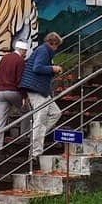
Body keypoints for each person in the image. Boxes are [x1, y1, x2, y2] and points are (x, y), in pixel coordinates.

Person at [19, 32, 64, 167]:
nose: (57, 49)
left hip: (41, 90)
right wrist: (53, 68)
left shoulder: (43, 50)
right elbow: (37, 67)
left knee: (56, 113)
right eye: (57, 46)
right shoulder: (44, 51)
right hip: (36, 90)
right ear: (53, 43)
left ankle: (38, 135)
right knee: (39, 120)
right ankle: (35, 153)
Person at [0, 41, 29, 153]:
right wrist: (24, 96)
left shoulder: (4, 58)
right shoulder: (20, 61)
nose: (26, 54)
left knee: (0, 120)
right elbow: (20, 80)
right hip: (13, 91)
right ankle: (25, 136)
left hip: (0, 91)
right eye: (25, 52)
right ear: (22, 51)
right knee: (27, 111)